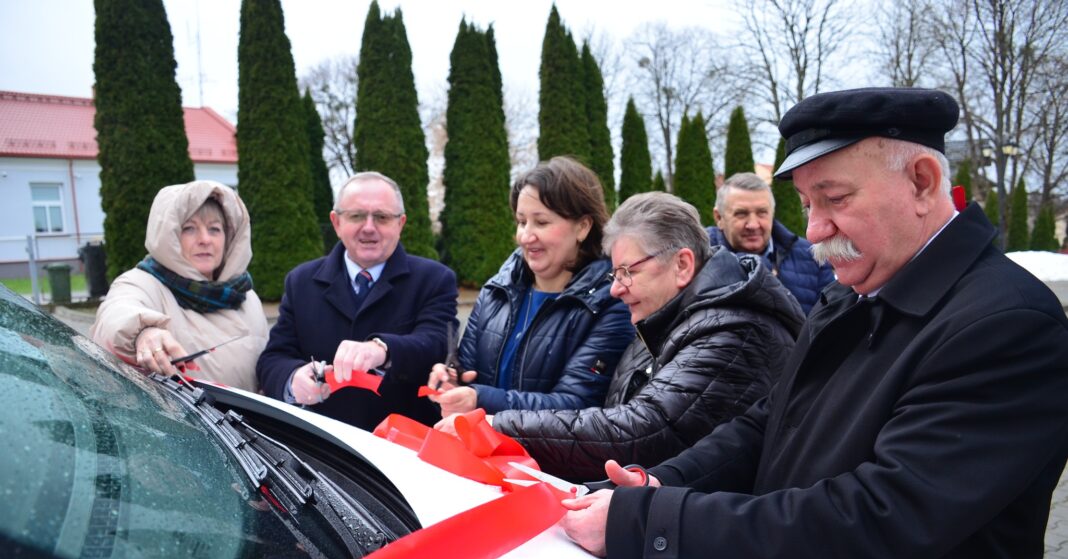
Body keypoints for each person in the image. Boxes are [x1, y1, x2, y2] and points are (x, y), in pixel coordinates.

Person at [560, 87, 1068, 559]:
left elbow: (878, 517)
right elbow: (770, 422)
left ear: (923, 180)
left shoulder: (1006, 324)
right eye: (804, 204)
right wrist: (662, 483)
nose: (816, 230)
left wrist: (650, 526)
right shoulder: (854, 291)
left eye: (835, 200)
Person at [491, 192, 804, 481]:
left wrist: (498, 427)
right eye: (615, 275)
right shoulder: (666, 316)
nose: (615, 289)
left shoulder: (735, 332)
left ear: (682, 265)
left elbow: (641, 433)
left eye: (628, 272)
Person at [428, 156, 633, 425]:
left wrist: (479, 399)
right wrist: (450, 382)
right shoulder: (496, 291)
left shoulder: (612, 303)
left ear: (583, 227)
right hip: (476, 455)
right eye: (522, 221)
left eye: (541, 222)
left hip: (547, 466)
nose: (526, 236)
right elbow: (467, 373)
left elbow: (576, 405)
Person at [256, 171, 457, 431]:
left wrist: (382, 349)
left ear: (401, 223)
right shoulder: (301, 281)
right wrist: (293, 379)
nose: (369, 227)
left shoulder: (434, 279)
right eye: (357, 216)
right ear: (336, 222)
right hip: (319, 447)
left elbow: (436, 342)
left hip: (403, 449)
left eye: (382, 217)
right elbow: (273, 358)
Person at [90, 180, 268, 392]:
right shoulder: (143, 283)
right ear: (169, 236)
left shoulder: (247, 297)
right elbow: (116, 313)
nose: (205, 239)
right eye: (189, 229)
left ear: (229, 238)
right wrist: (143, 333)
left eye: (214, 229)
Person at [708, 171, 834, 313]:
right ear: (719, 218)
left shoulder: (813, 256)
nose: (753, 224)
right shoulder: (699, 260)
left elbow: (830, 318)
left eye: (762, 212)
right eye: (741, 213)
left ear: (772, 213)